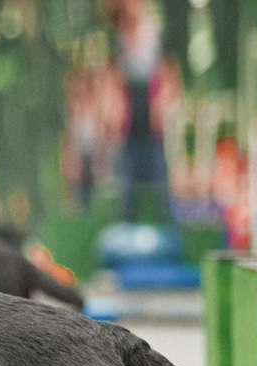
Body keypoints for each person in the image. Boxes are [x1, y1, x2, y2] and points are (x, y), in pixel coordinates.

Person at [107, 0, 180, 222]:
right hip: (131, 127)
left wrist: (163, 105)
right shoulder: (118, 39)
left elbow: (168, 73)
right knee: (128, 193)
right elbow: (115, 84)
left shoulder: (154, 33)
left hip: (151, 125)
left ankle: (170, 232)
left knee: (161, 187)